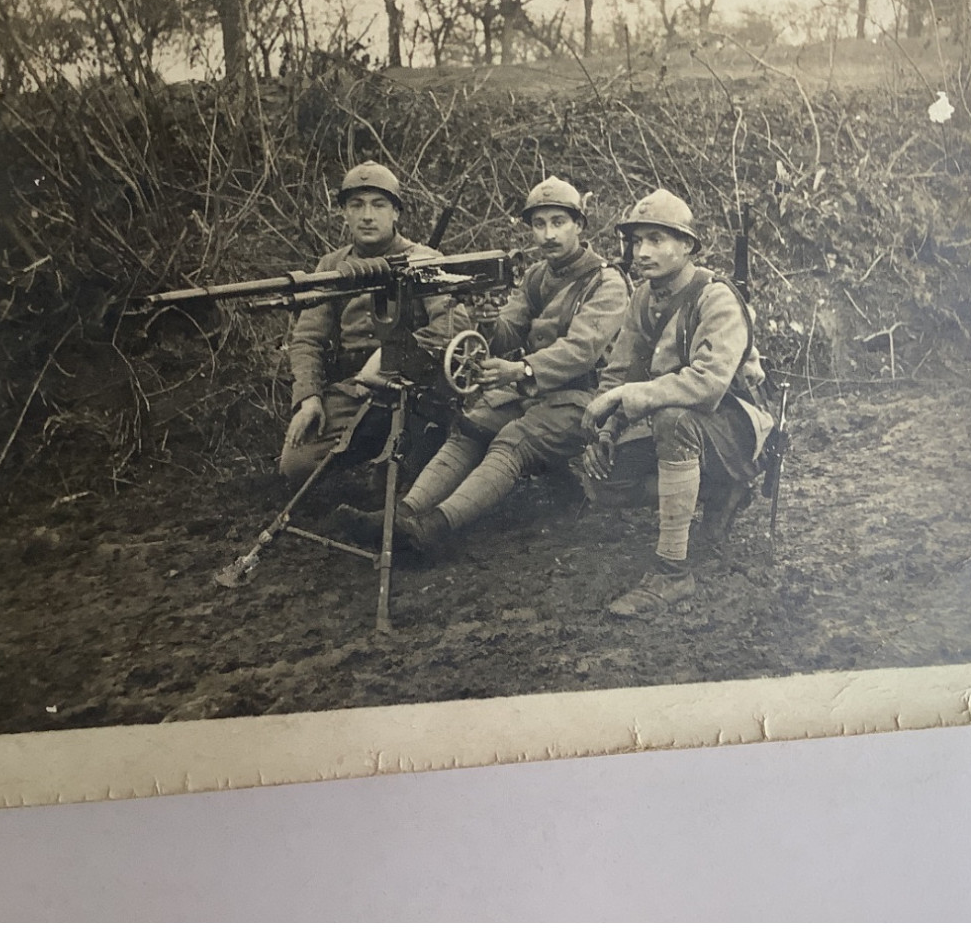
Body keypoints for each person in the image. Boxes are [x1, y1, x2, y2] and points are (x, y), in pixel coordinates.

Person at [345, 176, 629, 550]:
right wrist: (488, 319)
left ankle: (434, 528)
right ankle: (401, 514)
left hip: (586, 398)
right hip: (534, 392)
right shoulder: (536, 276)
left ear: (579, 225)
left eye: (558, 222)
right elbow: (508, 332)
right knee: (471, 424)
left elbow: (581, 350)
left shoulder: (606, 282)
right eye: (539, 224)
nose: (548, 234)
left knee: (513, 441)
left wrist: (521, 369)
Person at [578, 188, 774, 618]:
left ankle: (672, 572)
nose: (642, 251)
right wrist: (607, 430)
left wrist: (628, 398)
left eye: (656, 239)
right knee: (604, 483)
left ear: (687, 246)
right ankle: (717, 491)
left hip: (736, 428)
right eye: (636, 240)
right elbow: (621, 370)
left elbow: (707, 384)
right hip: (684, 423)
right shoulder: (642, 298)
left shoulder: (715, 296)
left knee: (672, 418)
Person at [279, 160, 468, 488]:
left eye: (379, 205)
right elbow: (307, 339)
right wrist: (308, 397)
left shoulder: (423, 258)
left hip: (414, 388)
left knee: (404, 482)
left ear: (396, 212)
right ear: (344, 213)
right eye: (357, 205)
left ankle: (407, 459)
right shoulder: (331, 266)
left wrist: (389, 356)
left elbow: (453, 324)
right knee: (296, 464)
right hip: (358, 390)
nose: (367, 215)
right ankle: (368, 451)